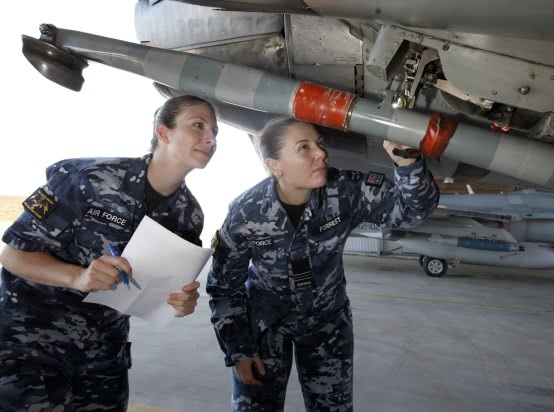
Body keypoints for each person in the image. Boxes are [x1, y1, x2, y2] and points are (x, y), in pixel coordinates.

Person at [0, 95, 218, 411]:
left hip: (103, 356)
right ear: (163, 132)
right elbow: (13, 255)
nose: (210, 138)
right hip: (32, 346)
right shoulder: (86, 179)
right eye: (198, 125)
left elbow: (154, 293)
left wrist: (178, 303)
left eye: (214, 132)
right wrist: (79, 277)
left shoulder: (187, 216)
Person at [207, 117, 439, 411]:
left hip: (326, 324)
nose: (320, 154)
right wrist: (239, 350)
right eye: (304, 148)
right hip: (265, 325)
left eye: (319, 144)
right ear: (275, 165)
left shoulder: (344, 190)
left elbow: (413, 211)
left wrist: (407, 160)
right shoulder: (246, 213)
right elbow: (224, 287)